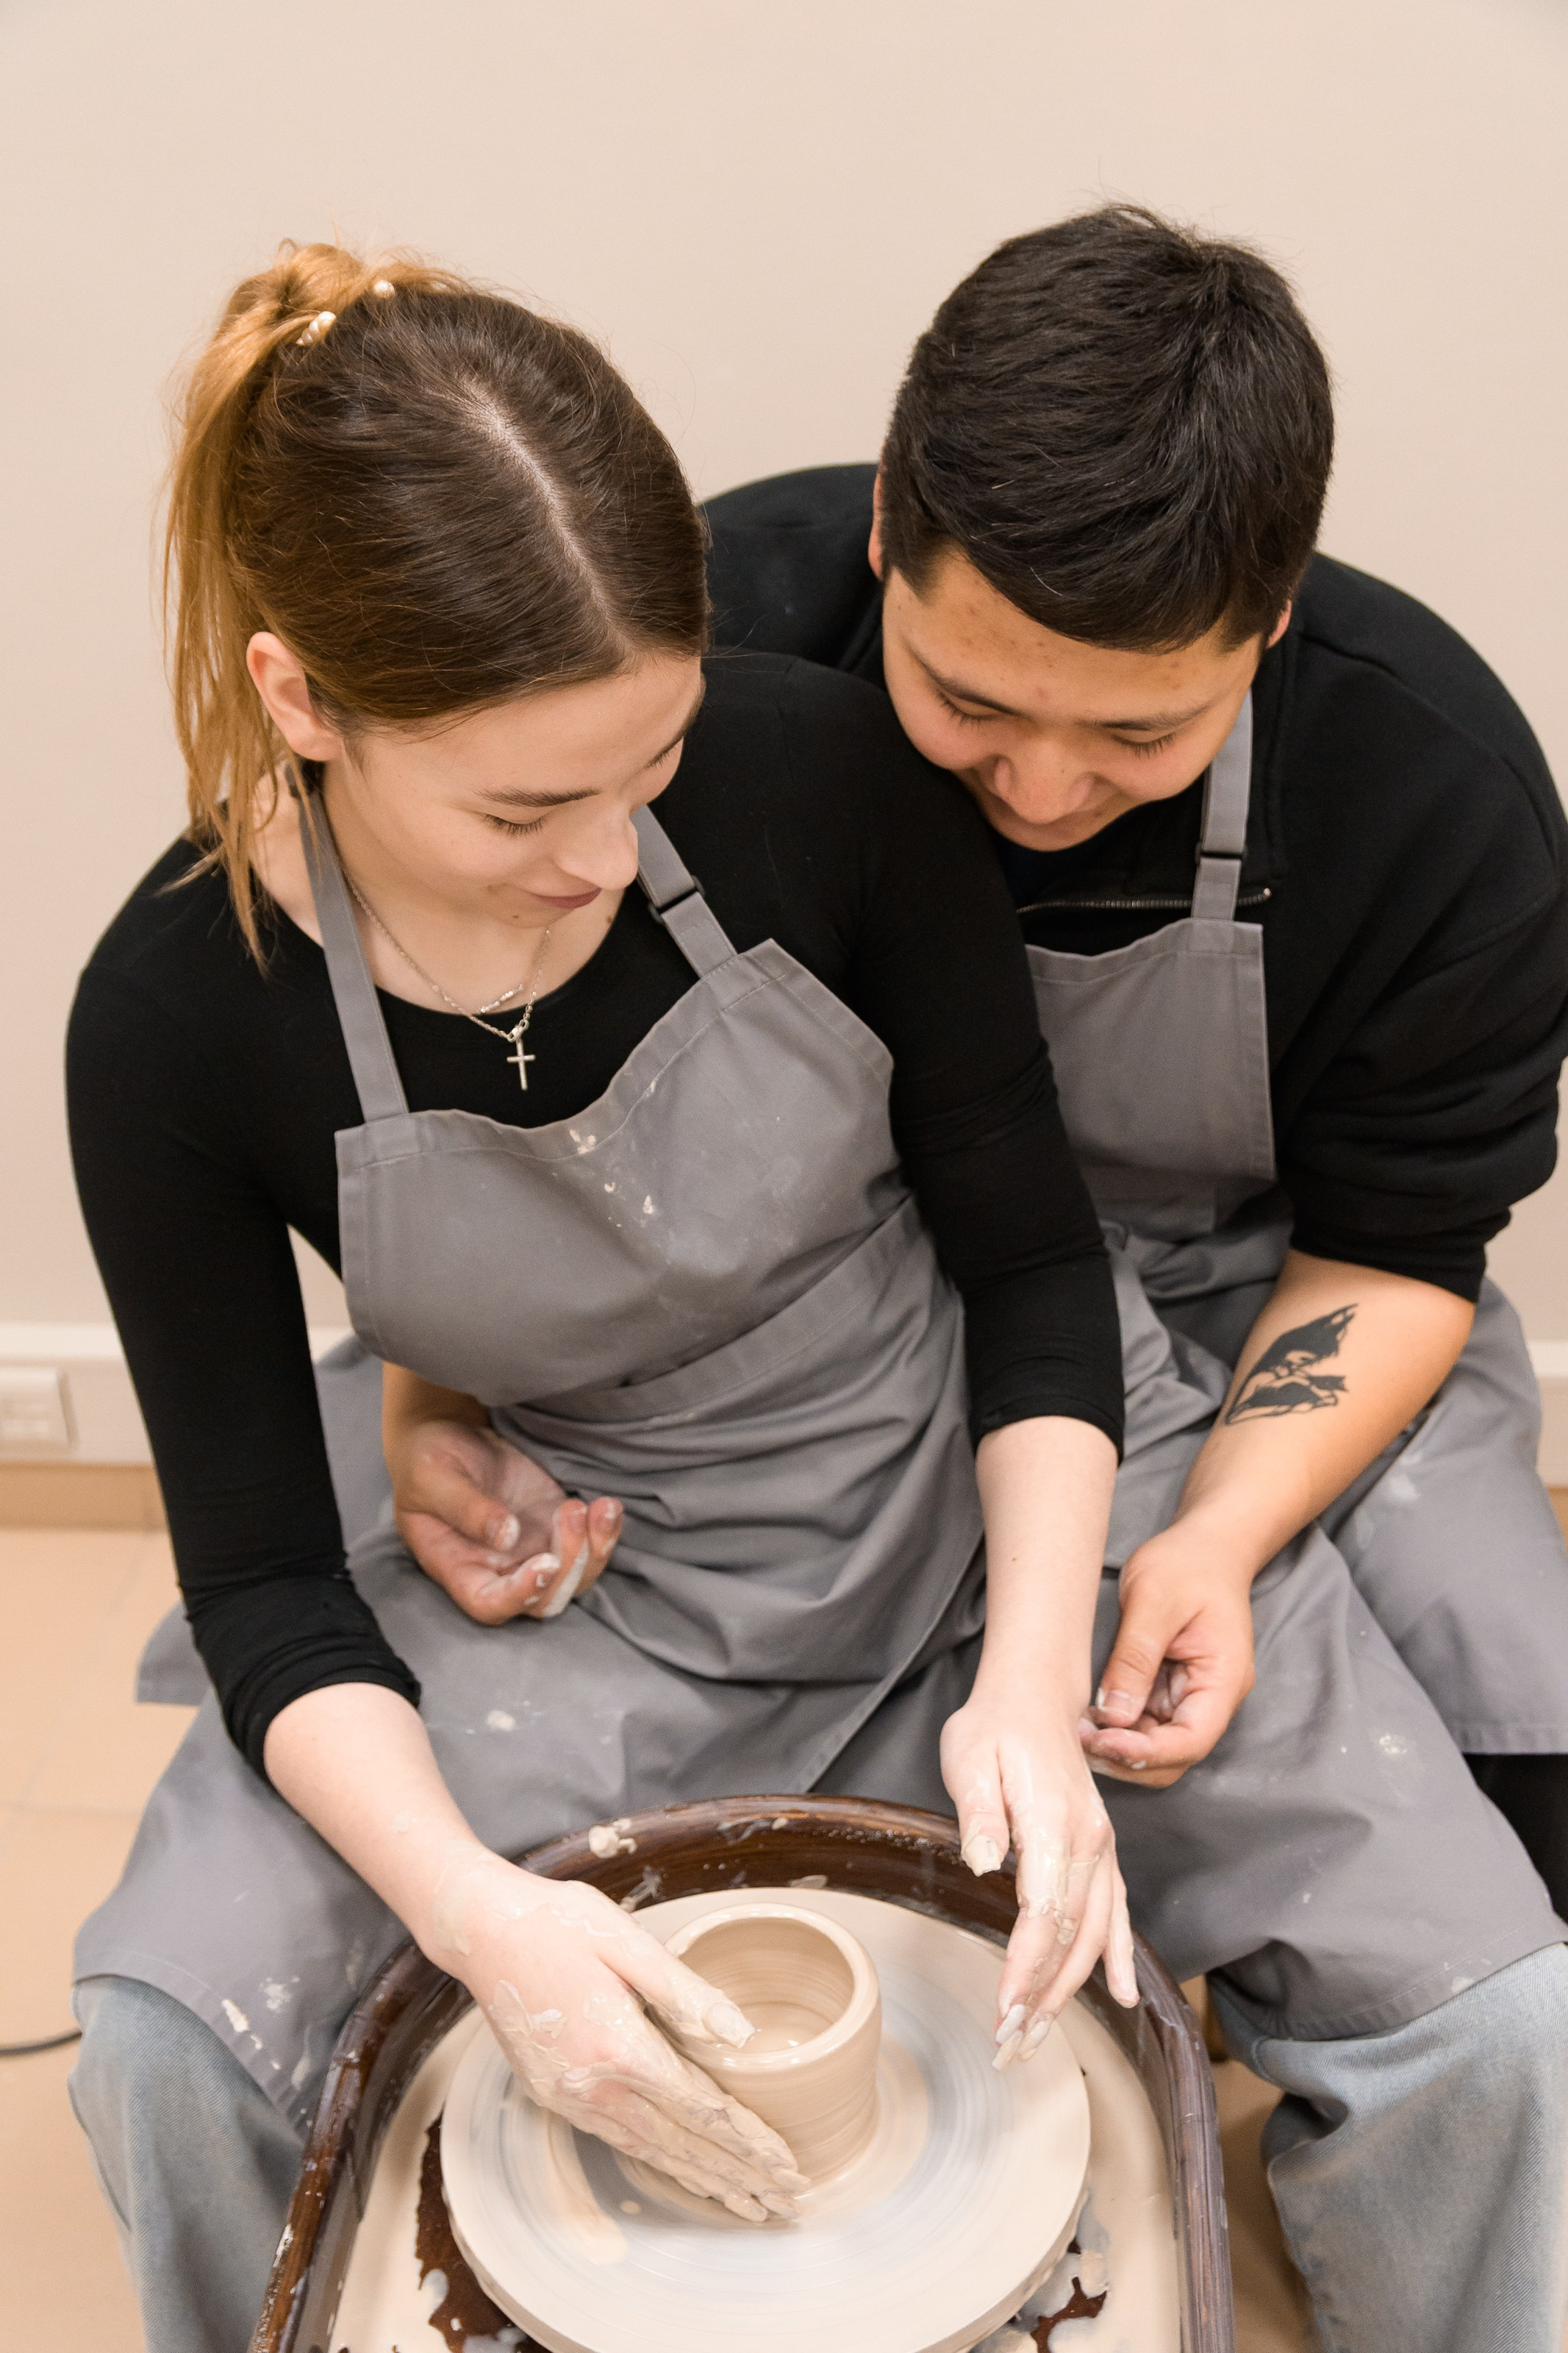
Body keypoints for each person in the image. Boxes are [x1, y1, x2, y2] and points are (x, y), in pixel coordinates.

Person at [404, 210, 1568, 2353]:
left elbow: (1404, 1248)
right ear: (880, 533)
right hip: (804, 1295)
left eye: (1130, 740)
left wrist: (1215, 1530)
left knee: (1519, 1811)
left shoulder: (1431, 787)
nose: (1036, 794)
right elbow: (457, 1073)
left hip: (1262, 1294)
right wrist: (435, 1378)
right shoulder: (702, 663)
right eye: (967, 702)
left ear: (1273, 618)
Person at [63, 242, 1138, 2353]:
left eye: (648, 764)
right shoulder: (178, 1026)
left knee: (1467, 2005)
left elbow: (1032, 1263)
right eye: (526, 806)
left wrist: (1032, 1681)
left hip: (957, 1484)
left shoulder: (818, 775)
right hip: (603, 1572)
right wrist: (483, 1926)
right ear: (304, 703)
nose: (604, 849)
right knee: (170, 2044)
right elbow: (272, 1588)